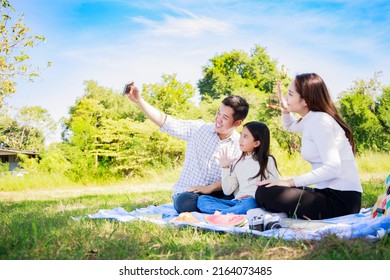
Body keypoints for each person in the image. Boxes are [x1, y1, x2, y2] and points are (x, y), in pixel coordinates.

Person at [124, 82, 249, 213]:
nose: (218, 119)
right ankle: (222, 210)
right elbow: (165, 121)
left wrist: (210, 188)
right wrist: (139, 101)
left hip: (217, 193)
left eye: (224, 117)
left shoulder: (240, 145)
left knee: (233, 195)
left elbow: (234, 179)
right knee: (185, 203)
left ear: (237, 123)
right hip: (190, 194)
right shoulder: (198, 129)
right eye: (218, 113)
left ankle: (216, 208)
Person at [255, 74, 363, 220]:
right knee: (267, 189)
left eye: (290, 94)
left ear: (305, 100)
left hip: (341, 201)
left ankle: (285, 212)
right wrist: (285, 109)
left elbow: (333, 168)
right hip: (327, 194)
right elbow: (290, 126)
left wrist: (289, 182)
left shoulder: (320, 121)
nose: (287, 97)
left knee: (265, 192)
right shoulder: (311, 119)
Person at [197, 121, 279, 214]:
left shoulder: (268, 160)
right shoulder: (238, 162)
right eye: (241, 135)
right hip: (237, 203)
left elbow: (275, 185)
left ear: (256, 143)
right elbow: (228, 191)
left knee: (249, 203)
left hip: (254, 201)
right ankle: (229, 213)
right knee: (202, 200)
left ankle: (223, 214)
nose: (240, 140)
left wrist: (254, 196)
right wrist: (225, 168)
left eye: (245, 137)